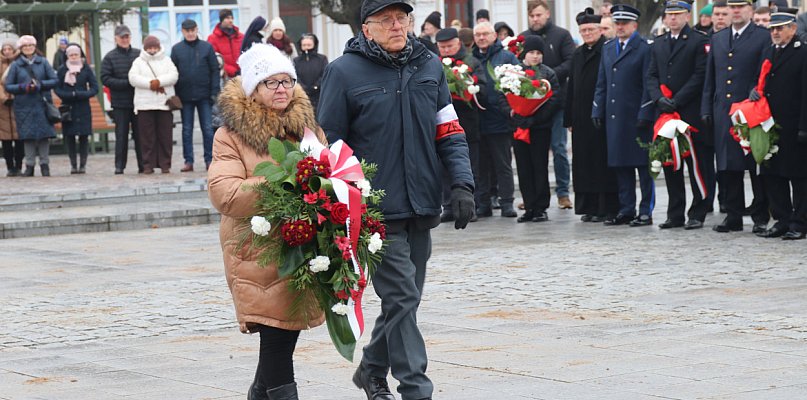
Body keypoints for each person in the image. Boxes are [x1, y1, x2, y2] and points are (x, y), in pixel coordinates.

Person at [317, 0, 474, 398]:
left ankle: (371, 367)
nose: (396, 26)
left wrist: (462, 184)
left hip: (422, 201)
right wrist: (341, 200)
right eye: (385, 20)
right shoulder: (343, 72)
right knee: (401, 296)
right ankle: (415, 388)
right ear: (365, 28)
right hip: (373, 210)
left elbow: (449, 131)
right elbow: (329, 145)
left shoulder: (429, 66)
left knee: (406, 301)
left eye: (402, 18)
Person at [208, 43, 324, 400]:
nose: (280, 89)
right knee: (276, 339)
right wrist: (284, 178)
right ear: (253, 90)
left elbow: (328, 172)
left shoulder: (306, 128)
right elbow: (225, 195)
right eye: (270, 82)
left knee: (283, 336)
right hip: (257, 252)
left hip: (301, 246)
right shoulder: (230, 135)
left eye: (286, 81)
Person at [701, 0, 771, 233]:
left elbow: (766, 70)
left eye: (741, 7)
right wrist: (706, 109)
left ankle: (761, 216)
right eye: (733, 7)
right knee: (727, 165)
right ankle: (733, 214)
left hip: (749, 110)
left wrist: (757, 90)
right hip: (723, 110)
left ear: (750, 9)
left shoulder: (762, 36)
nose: (736, 11)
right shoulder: (719, 38)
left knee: (755, 165)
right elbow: (710, 78)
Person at [646, 1, 711, 230]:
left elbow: (700, 74)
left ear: (687, 16)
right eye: (669, 14)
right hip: (665, 113)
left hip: (689, 112)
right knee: (670, 162)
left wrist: (678, 99)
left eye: (677, 14)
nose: (672, 19)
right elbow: (651, 75)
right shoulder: (659, 43)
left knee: (696, 165)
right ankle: (675, 213)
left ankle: (698, 211)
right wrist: (658, 99)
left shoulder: (698, 40)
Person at [592, 4, 655, 227]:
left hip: (637, 117)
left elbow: (649, 83)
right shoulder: (608, 48)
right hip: (615, 117)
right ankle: (626, 208)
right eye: (617, 23)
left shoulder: (645, 48)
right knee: (621, 166)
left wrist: (646, 112)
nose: (619, 27)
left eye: (624, 23)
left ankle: (645, 210)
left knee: (644, 168)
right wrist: (597, 109)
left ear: (634, 25)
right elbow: (602, 83)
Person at [754, 8, 807, 240]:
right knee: (773, 175)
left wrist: (804, 126)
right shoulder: (768, 51)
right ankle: (782, 219)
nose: (775, 32)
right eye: (772, 29)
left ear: (792, 29)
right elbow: (759, 80)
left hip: (794, 124)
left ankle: (800, 222)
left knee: (798, 177)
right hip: (769, 125)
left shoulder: (803, 52)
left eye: (780, 28)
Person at [564, 8, 618, 223]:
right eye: (583, 30)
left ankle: (605, 207)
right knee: (583, 163)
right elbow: (572, 87)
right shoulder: (577, 54)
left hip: (601, 116)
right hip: (580, 117)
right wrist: (568, 118)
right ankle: (589, 206)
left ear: (599, 30)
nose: (587, 33)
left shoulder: (607, 49)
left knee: (600, 162)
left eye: (590, 29)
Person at [520, 0, 575, 210]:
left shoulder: (561, 35)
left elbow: (570, 62)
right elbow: (518, 64)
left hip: (557, 102)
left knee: (559, 147)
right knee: (531, 154)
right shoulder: (524, 37)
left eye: (539, 15)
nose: (536, 19)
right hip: (531, 107)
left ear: (547, 14)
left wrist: (545, 78)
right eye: (532, 16)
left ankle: (563, 192)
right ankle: (531, 195)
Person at [505, 35, 561, 223]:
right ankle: (529, 205)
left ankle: (541, 207)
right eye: (532, 53)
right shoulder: (514, 73)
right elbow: (503, 95)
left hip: (539, 129)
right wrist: (515, 114)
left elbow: (553, 100)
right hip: (519, 128)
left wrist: (535, 118)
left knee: (539, 166)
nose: (535, 56)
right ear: (524, 54)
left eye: (539, 53)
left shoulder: (548, 74)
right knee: (523, 167)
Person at [472, 21, 519, 218]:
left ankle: (506, 201)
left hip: (499, 120)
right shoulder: (470, 58)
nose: (482, 38)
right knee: (481, 166)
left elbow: (517, 81)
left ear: (494, 36)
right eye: (478, 35)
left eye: (485, 34)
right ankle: (484, 203)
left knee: (503, 164)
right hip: (478, 120)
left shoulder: (506, 56)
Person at [435, 28, 482, 223]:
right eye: (442, 47)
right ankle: (448, 206)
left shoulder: (471, 61)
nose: (446, 50)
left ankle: (472, 206)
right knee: (444, 167)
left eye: (449, 46)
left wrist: (464, 90)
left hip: (468, 122)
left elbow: (482, 89)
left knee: (469, 167)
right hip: (442, 125)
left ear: (458, 43)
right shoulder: (434, 64)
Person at [172, 19, 221, 172]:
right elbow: (173, 72)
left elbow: (215, 70)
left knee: (207, 129)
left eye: (193, 30)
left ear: (197, 30)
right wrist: (175, 94)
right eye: (187, 31)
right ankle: (189, 161)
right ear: (183, 31)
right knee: (186, 130)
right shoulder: (176, 49)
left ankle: (209, 160)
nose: (191, 33)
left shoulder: (207, 47)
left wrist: (214, 91)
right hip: (185, 96)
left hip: (204, 95)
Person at [4, 35, 57, 177]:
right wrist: (23, 87)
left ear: (34, 47)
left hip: (42, 103)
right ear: (21, 49)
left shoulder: (43, 62)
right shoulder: (15, 65)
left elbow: (54, 80)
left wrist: (41, 85)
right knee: (27, 136)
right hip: (24, 105)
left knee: (44, 136)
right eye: (25, 46)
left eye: (30, 46)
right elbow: (9, 86)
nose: (28, 48)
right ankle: (30, 165)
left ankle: (45, 165)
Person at [128, 35, 178, 174]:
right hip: (145, 104)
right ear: (145, 48)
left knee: (165, 136)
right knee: (147, 138)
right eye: (149, 47)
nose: (152, 50)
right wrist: (151, 84)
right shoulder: (138, 62)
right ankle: (147, 165)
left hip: (164, 104)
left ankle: (165, 164)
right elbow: (133, 78)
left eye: (154, 47)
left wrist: (159, 82)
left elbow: (174, 76)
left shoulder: (167, 60)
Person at [102, 25, 143, 175]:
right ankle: (120, 166)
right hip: (119, 102)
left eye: (127, 37)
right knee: (121, 136)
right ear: (116, 39)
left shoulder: (139, 54)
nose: (125, 39)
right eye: (122, 37)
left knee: (140, 136)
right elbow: (105, 78)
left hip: (138, 101)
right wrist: (126, 83)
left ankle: (143, 165)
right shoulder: (109, 57)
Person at [54, 44, 98, 174]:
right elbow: (57, 88)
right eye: (71, 55)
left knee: (84, 136)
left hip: (83, 106)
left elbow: (95, 87)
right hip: (68, 106)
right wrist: (69, 95)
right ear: (67, 56)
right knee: (70, 136)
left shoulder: (86, 69)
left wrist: (82, 94)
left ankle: (83, 164)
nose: (73, 57)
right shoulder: (62, 70)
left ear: (80, 55)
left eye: (76, 54)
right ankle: (73, 164)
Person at [0, 40, 22, 177]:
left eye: (9, 48)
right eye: (4, 49)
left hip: (17, 103)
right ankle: (10, 167)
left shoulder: (18, 63)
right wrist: (4, 98)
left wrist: (14, 95)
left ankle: (19, 165)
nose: (7, 51)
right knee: (5, 139)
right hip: (2, 106)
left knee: (19, 138)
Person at [293, 33, 328, 112]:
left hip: (319, 95)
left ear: (314, 45)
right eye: (304, 45)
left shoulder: (322, 59)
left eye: (309, 45)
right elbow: (295, 75)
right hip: (301, 94)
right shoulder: (296, 61)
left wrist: (316, 86)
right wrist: (303, 87)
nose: (306, 47)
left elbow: (325, 74)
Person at [208, 9, 244, 78]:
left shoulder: (241, 36)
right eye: (227, 18)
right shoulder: (213, 38)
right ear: (221, 20)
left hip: (242, 74)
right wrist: (233, 71)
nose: (231, 21)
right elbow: (215, 60)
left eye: (232, 18)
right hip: (225, 77)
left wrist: (242, 70)